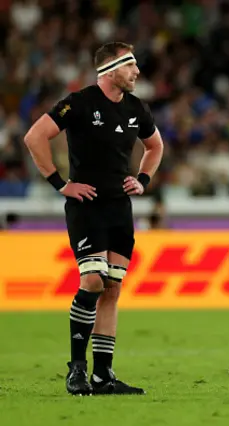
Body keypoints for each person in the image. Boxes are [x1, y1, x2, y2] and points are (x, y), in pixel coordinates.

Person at [23, 42, 164, 395]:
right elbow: (35, 136)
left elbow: (155, 146)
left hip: (120, 208)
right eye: (131, 66)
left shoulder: (136, 108)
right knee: (92, 282)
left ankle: (103, 375)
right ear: (111, 70)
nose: (137, 73)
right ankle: (77, 369)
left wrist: (143, 179)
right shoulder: (80, 102)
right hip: (87, 206)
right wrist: (61, 183)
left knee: (112, 289)